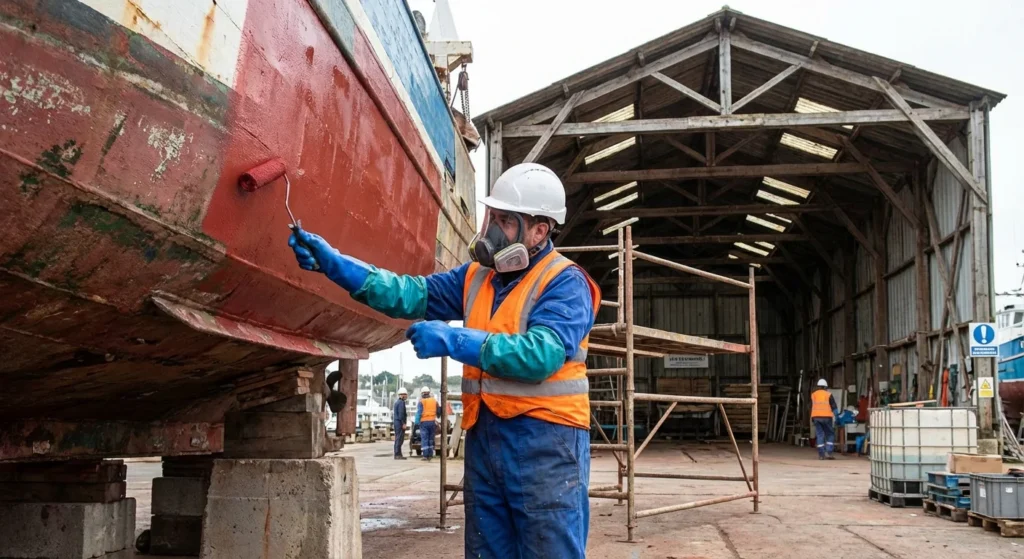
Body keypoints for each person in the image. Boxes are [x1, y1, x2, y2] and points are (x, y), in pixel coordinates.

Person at [289, 162, 599, 559]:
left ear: (539, 231)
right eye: (492, 216)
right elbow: (408, 294)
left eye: (505, 221)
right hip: (486, 439)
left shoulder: (565, 282)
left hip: (546, 444)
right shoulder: (477, 276)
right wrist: (336, 265)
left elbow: (541, 355)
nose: (491, 230)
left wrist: (454, 339)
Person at [811, 379, 839, 460]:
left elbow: (812, 406)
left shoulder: (813, 394)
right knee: (830, 434)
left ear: (818, 386)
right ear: (826, 387)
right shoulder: (828, 394)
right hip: (827, 417)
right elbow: (834, 407)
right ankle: (829, 453)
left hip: (816, 417)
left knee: (820, 435)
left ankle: (821, 455)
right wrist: (837, 417)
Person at [415, 386, 441, 461]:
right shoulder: (434, 401)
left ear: (422, 393)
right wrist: (438, 416)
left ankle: (425, 456)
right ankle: (430, 454)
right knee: (431, 439)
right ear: (429, 393)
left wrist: (417, 422)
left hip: (424, 422)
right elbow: (439, 411)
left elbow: (419, 413)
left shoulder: (421, 401)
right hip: (432, 422)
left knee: (424, 439)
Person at [392, 387, 408, 460]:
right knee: (399, 439)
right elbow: (401, 414)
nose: (406, 396)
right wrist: (403, 423)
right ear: (402, 395)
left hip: (397, 422)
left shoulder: (397, 402)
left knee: (398, 438)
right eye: (405, 394)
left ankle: (398, 454)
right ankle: (397, 454)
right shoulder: (401, 403)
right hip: (399, 423)